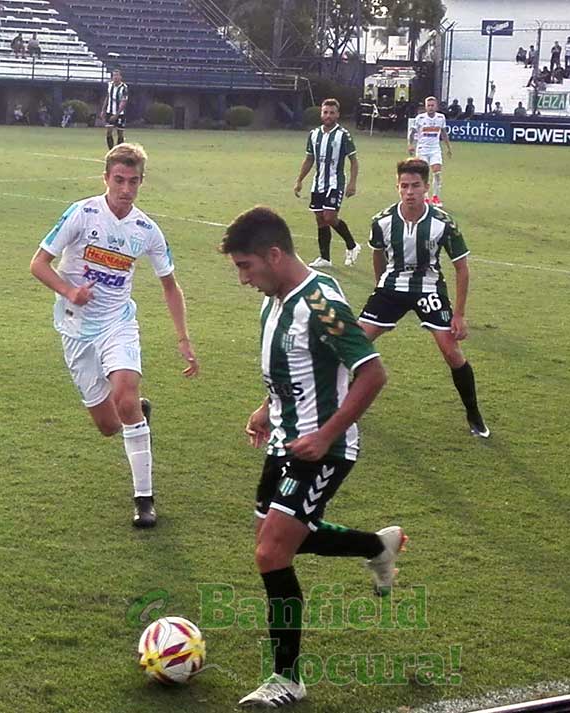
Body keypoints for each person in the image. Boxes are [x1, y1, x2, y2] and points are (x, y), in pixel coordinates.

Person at [220, 206, 405, 708]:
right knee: (276, 540)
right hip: (284, 439)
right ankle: (376, 546)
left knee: (271, 553)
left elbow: (372, 374)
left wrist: (326, 436)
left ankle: (288, 679)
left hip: (322, 448)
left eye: (246, 267)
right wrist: (264, 409)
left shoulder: (321, 302)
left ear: (274, 255)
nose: (243, 279)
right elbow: (294, 367)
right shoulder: (274, 299)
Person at [30, 143, 199, 528]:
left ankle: (144, 500)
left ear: (142, 182)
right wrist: (70, 291)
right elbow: (38, 264)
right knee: (109, 426)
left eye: (133, 181)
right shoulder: (82, 213)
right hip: (75, 327)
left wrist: (183, 338)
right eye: (119, 180)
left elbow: (170, 286)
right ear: (106, 178)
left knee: (125, 396)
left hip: (117, 324)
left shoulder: (146, 230)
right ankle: (139, 414)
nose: (125, 189)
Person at [357, 158, 489, 438]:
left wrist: (459, 314)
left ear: (426, 187)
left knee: (452, 352)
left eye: (416, 186)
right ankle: (342, 405)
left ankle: (474, 414)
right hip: (391, 289)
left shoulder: (443, 223)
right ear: (397, 187)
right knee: (352, 344)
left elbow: (461, 268)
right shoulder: (381, 221)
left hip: (428, 288)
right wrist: (380, 285)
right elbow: (377, 254)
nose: (409, 192)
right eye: (404, 186)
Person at [294, 98, 360, 268]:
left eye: (332, 112)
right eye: (325, 112)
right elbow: (309, 159)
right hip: (318, 183)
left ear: (337, 114)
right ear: (321, 113)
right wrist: (300, 180)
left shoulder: (343, 135)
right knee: (320, 219)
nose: (328, 115)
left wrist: (352, 183)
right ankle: (325, 258)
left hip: (335, 183)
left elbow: (353, 160)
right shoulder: (314, 134)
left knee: (329, 217)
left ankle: (352, 246)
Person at [406, 96, 451, 206]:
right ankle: (425, 197)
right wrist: (410, 145)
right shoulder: (420, 118)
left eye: (432, 105)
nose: (430, 107)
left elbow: (444, 133)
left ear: (436, 106)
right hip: (422, 149)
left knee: (437, 173)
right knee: (423, 174)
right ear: (425, 107)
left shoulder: (441, 118)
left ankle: (435, 197)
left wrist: (448, 147)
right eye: (428, 105)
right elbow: (411, 132)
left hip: (435, 149)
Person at [104, 68, 128, 150]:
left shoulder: (124, 87)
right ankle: (111, 151)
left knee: (120, 133)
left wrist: (116, 115)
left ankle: (119, 151)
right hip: (109, 112)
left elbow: (123, 102)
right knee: (108, 132)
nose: (115, 77)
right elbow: (107, 97)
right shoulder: (110, 85)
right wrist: (103, 110)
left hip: (120, 114)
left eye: (117, 75)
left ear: (121, 77)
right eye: (114, 75)